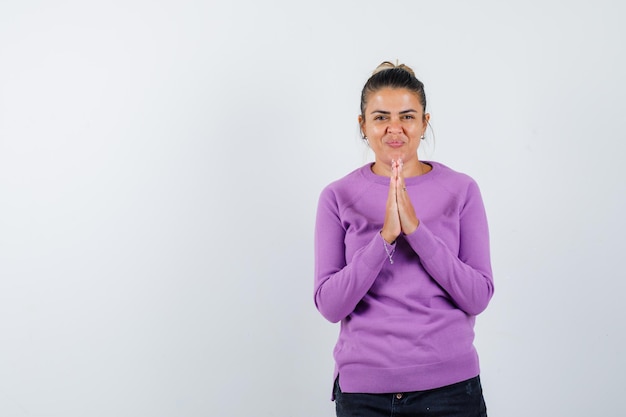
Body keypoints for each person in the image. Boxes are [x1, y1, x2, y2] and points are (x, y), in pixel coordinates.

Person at [313, 61, 494, 417]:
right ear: (362, 125)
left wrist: (416, 230)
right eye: (380, 117)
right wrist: (385, 238)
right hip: (364, 395)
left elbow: (478, 296)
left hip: (450, 391)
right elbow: (330, 306)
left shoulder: (461, 190)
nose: (394, 128)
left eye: (407, 116)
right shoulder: (337, 196)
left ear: (425, 123)